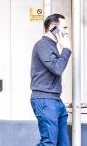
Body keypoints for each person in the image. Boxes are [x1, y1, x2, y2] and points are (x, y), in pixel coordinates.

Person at [31, 13, 72, 146]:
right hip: (45, 100)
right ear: (54, 28)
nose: (67, 31)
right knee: (48, 143)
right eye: (64, 27)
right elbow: (57, 68)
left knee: (63, 143)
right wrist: (66, 49)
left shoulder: (51, 45)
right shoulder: (42, 45)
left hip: (55, 100)